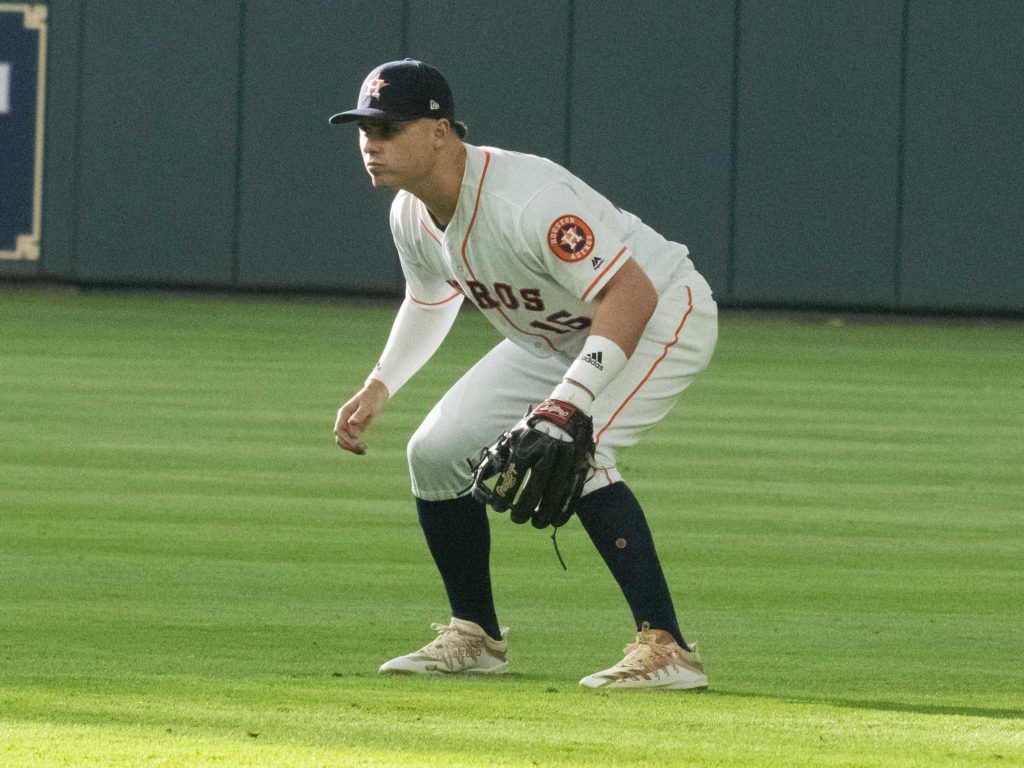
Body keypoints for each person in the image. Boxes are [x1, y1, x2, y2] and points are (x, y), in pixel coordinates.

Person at [331, 59, 717, 690]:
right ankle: (475, 638)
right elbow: (429, 299)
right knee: (435, 452)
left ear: (439, 131)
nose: (371, 143)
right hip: (553, 336)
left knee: (578, 447)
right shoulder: (410, 212)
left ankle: (667, 648)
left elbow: (631, 292)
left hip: (658, 311)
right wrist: (381, 383)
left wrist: (571, 403)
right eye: (364, 129)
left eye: (389, 128)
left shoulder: (525, 199)